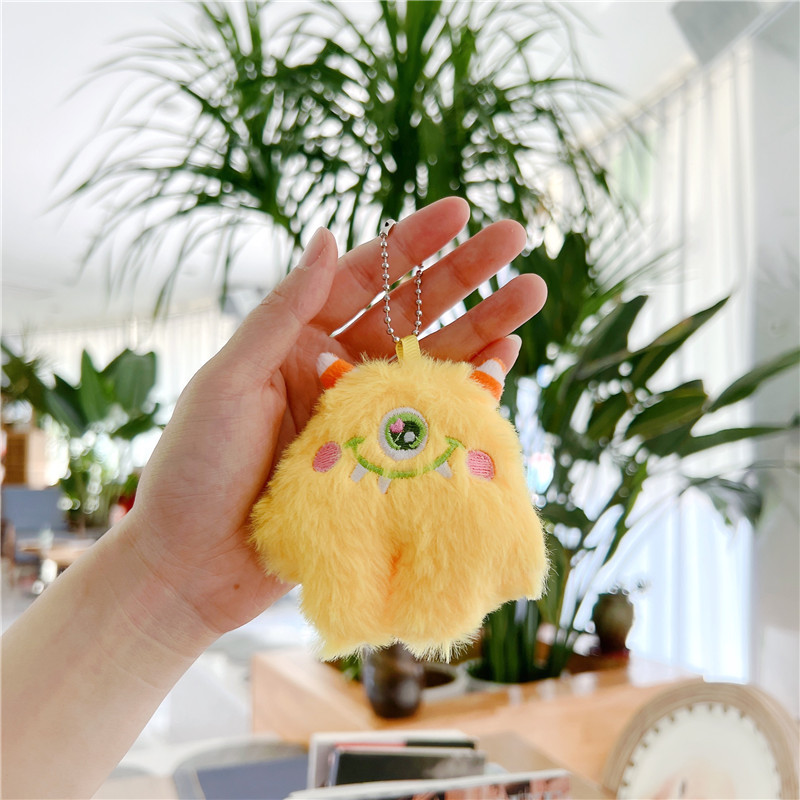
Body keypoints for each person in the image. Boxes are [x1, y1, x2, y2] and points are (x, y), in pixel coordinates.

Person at [0, 197, 547, 799]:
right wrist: (165, 566)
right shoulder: (379, 421)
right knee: (348, 558)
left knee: (426, 564)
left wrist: (164, 573)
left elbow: (510, 537)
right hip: (351, 494)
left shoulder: (383, 413)